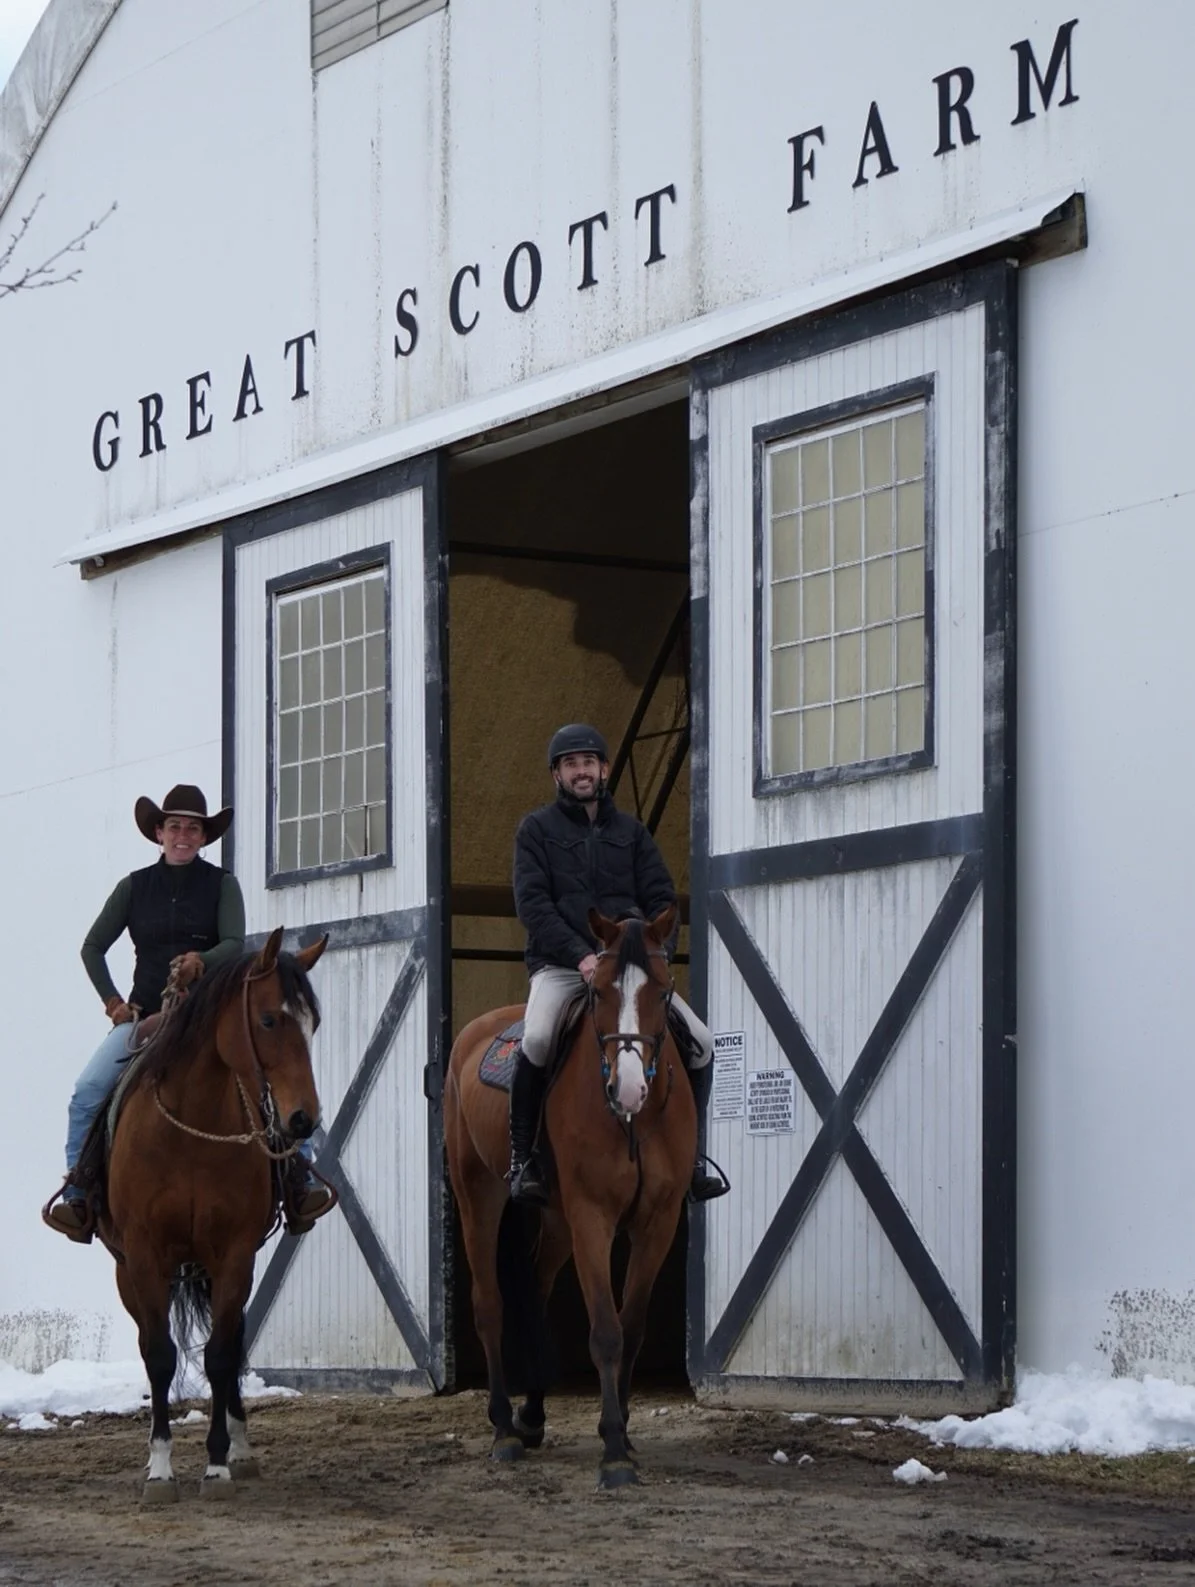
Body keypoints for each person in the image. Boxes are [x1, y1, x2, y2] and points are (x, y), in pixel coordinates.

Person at [45, 784, 333, 1241]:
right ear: (159, 832)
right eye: (175, 826)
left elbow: (234, 944)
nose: (183, 835)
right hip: (146, 1019)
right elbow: (92, 947)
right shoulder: (133, 887)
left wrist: (203, 961)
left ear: (204, 837)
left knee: (271, 1078)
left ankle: (301, 1177)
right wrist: (113, 1003)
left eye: (193, 828)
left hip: (208, 1018)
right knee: (88, 1089)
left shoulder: (222, 885)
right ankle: (79, 1192)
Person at [507, 723, 730, 1207]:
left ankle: (692, 1158)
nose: (581, 771)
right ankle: (521, 1159)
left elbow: (661, 897)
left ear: (604, 769)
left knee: (703, 1044)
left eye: (589, 762)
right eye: (571, 764)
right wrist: (581, 956)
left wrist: (651, 954)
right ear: (557, 775)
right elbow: (533, 905)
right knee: (539, 1037)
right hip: (564, 965)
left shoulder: (632, 833)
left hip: (630, 969)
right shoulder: (536, 832)